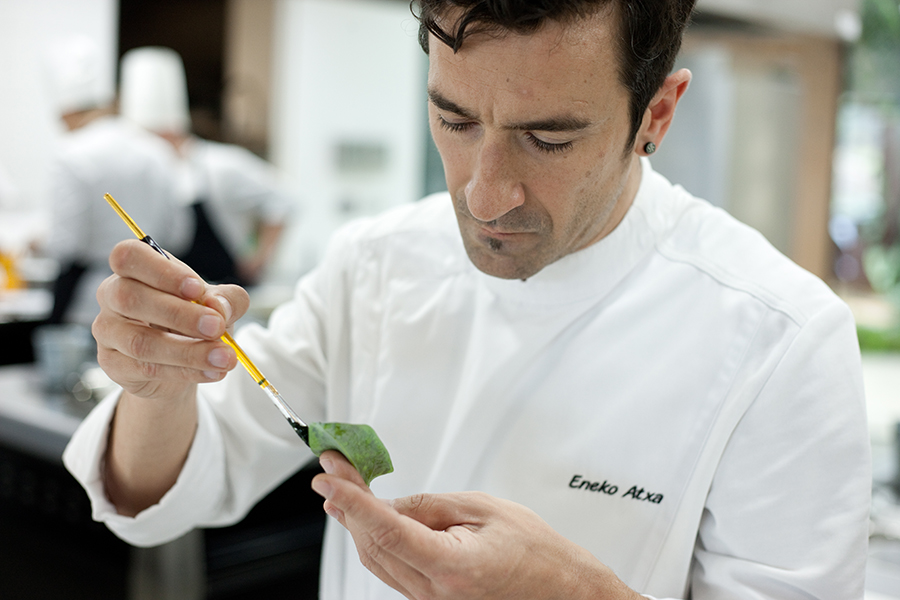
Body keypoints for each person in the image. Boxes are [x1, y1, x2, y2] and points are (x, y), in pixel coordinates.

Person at [62, 1, 871, 599]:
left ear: (656, 112)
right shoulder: (374, 265)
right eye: (454, 120)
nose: (484, 196)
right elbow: (159, 495)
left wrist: (577, 595)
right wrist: (157, 386)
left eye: (547, 139)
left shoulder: (780, 339)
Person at [42, 36, 188, 326]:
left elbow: (66, 244)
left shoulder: (70, 154)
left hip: (91, 302)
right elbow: (179, 233)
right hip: (154, 294)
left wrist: (40, 243)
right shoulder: (157, 150)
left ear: (66, 113)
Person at [119, 46, 293, 287]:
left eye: (149, 138)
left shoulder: (222, 165)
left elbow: (284, 200)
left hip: (225, 288)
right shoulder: (150, 174)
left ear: (171, 131)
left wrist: (258, 257)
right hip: (173, 290)